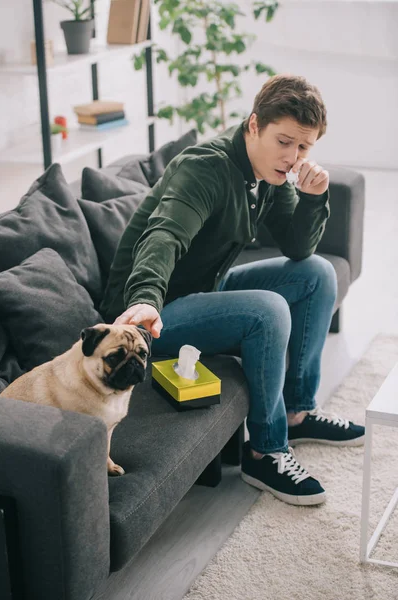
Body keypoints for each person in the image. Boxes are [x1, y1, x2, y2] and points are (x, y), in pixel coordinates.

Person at [100, 74, 365, 506]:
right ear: (254, 124)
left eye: (303, 147)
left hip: (206, 290)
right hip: (151, 314)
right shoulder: (205, 167)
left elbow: (298, 248)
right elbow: (163, 236)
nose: (293, 156)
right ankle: (265, 451)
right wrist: (145, 299)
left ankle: (297, 411)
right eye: (284, 141)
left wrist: (314, 197)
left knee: (316, 274)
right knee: (268, 309)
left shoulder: (272, 175)